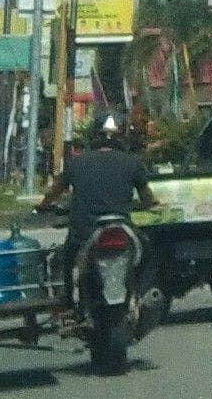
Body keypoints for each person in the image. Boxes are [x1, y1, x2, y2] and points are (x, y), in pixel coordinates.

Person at [39, 113, 160, 299]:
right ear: (122, 136)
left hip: (85, 232)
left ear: (93, 135)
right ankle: (140, 297)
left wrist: (42, 206)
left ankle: (68, 303)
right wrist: (143, 204)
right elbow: (148, 199)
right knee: (149, 253)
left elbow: (53, 193)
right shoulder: (133, 163)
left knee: (66, 260)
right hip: (123, 227)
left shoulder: (76, 163)